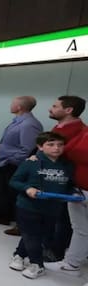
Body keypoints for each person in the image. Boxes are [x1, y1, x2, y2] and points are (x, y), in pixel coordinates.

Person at [7, 132, 73, 279]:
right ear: (40, 147)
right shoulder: (31, 162)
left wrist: (72, 193)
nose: (56, 148)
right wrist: (27, 189)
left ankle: (19, 254)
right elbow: (14, 181)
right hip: (28, 206)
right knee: (31, 234)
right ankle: (37, 264)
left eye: (60, 145)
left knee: (38, 234)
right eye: (51, 144)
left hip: (52, 208)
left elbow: (69, 185)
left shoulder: (67, 165)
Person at [0, 96, 43, 233]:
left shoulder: (29, 124)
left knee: (16, 194)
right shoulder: (18, 121)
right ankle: (3, 217)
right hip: (6, 162)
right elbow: (13, 143)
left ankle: (20, 225)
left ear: (19, 107)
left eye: (13, 103)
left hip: (14, 165)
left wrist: (10, 160)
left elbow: (27, 148)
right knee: (5, 192)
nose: (10, 105)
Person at [47, 95, 86, 261]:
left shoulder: (80, 131)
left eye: (55, 106)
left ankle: (57, 251)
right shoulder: (59, 127)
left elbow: (65, 155)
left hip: (67, 181)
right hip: (53, 177)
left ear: (69, 110)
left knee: (63, 219)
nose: (51, 109)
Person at [60, 125, 88, 286]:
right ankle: (72, 264)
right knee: (79, 229)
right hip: (78, 190)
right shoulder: (84, 132)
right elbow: (67, 151)